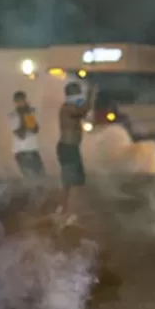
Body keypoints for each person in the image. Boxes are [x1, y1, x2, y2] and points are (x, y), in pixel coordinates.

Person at [56, 81, 96, 222]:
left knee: (71, 182)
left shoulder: (70, 107)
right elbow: (82, 111)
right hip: (68, 148)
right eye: (76, 92)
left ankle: (64, 209)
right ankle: (69, 213)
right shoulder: (67, 108)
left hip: (70, 148)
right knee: (73, 182)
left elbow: (83, 114)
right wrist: (91, 95)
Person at [9, 91, 45, 180]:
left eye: (23, 100)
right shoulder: (13, 116)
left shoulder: (29, 113)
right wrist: (23, 116)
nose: (22, 103)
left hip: (33, 149)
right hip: (21, 151)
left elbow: (34, 129)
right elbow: (21, 134)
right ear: (15, 103)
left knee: (42, 176)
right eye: (19, 101)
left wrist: (28, 116)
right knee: (29, 179)